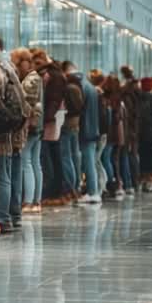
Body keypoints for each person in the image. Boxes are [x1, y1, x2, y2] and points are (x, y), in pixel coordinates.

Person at [0, 36, 25, 232]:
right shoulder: (8, 67)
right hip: (9, 129)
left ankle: (1, 218)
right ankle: (9, 215)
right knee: (5, 174)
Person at [34, 49, 70, 206]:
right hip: (55, 119)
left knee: (49, 158)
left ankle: (52, 192)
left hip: (51, 120)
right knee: (55, 157)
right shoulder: (57, 73)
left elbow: (53, 99)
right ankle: (58, 191)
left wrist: (45, 119)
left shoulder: (51, 75)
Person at [14, 49, 44, 214]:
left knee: (26, 162)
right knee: (34, 163)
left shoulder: (30, 79)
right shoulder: (36, 78)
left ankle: (28, 201)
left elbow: (26, 103)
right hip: (37, 126)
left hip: (31, 127)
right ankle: (35, 200)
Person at [67, 62, 101, 204]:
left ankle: (93, 192)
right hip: (93, 128)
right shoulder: (90, 86)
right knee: (91, 161)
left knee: (88, 162)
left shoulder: (81, 87)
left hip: (86, 129)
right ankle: (94, 191)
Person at [61, 61, 85, 204]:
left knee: (66, 157)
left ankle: (71, 187)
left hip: (67, 125)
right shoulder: (78, 86)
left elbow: (70, 107)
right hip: (75, 125)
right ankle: (76, 185)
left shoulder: (69, 88)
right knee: (75, 156)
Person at [100, 75, 125, 199]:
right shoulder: (119, 98)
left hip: (110, 134)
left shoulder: (109, 99)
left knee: (106, 158)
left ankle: (111, 183)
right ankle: (116, 183)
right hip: (117, 135)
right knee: (112, 159)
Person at [119, 67, 140, 195]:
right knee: (131, 155)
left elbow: (130, 114)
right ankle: (133, 183)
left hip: (129, 129)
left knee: (126, 155)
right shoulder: (136, 91)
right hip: (133, 128)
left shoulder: (127, 93)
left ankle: (128, 183)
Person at [138, 77, 152, 189]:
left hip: (143, 133)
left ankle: (146, 177)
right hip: (151, 133)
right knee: (151, 155)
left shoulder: (142, 99)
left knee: (145, 156)